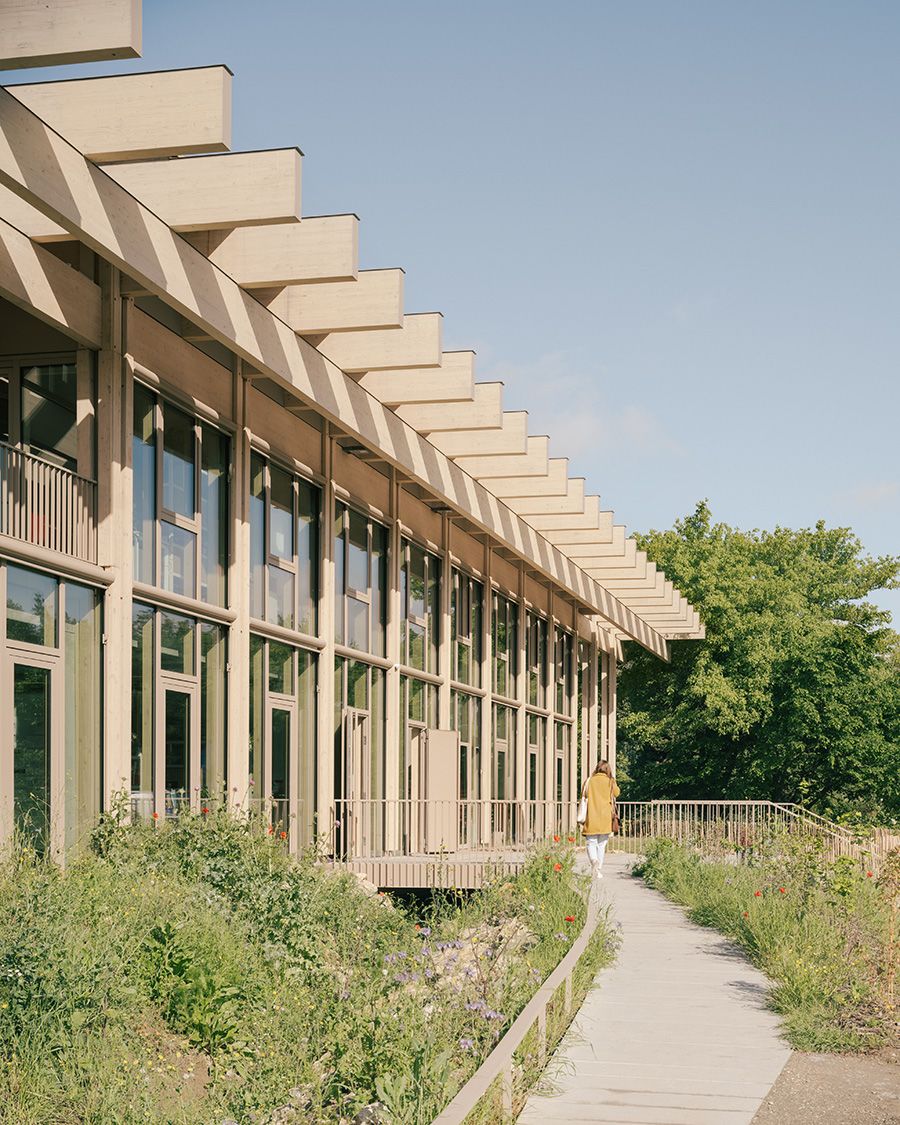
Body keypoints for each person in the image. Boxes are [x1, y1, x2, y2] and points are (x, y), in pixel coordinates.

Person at [580, 760, 620, 880]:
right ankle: (598, 870)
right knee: (602, 845)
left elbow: (583, 794)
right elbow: (617, 793)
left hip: (591, 816)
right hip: (606, 818)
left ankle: (594, 861)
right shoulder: (610, 781)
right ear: (608, 769)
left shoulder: (589, 781)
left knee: (591, 842)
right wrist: (612, 780)